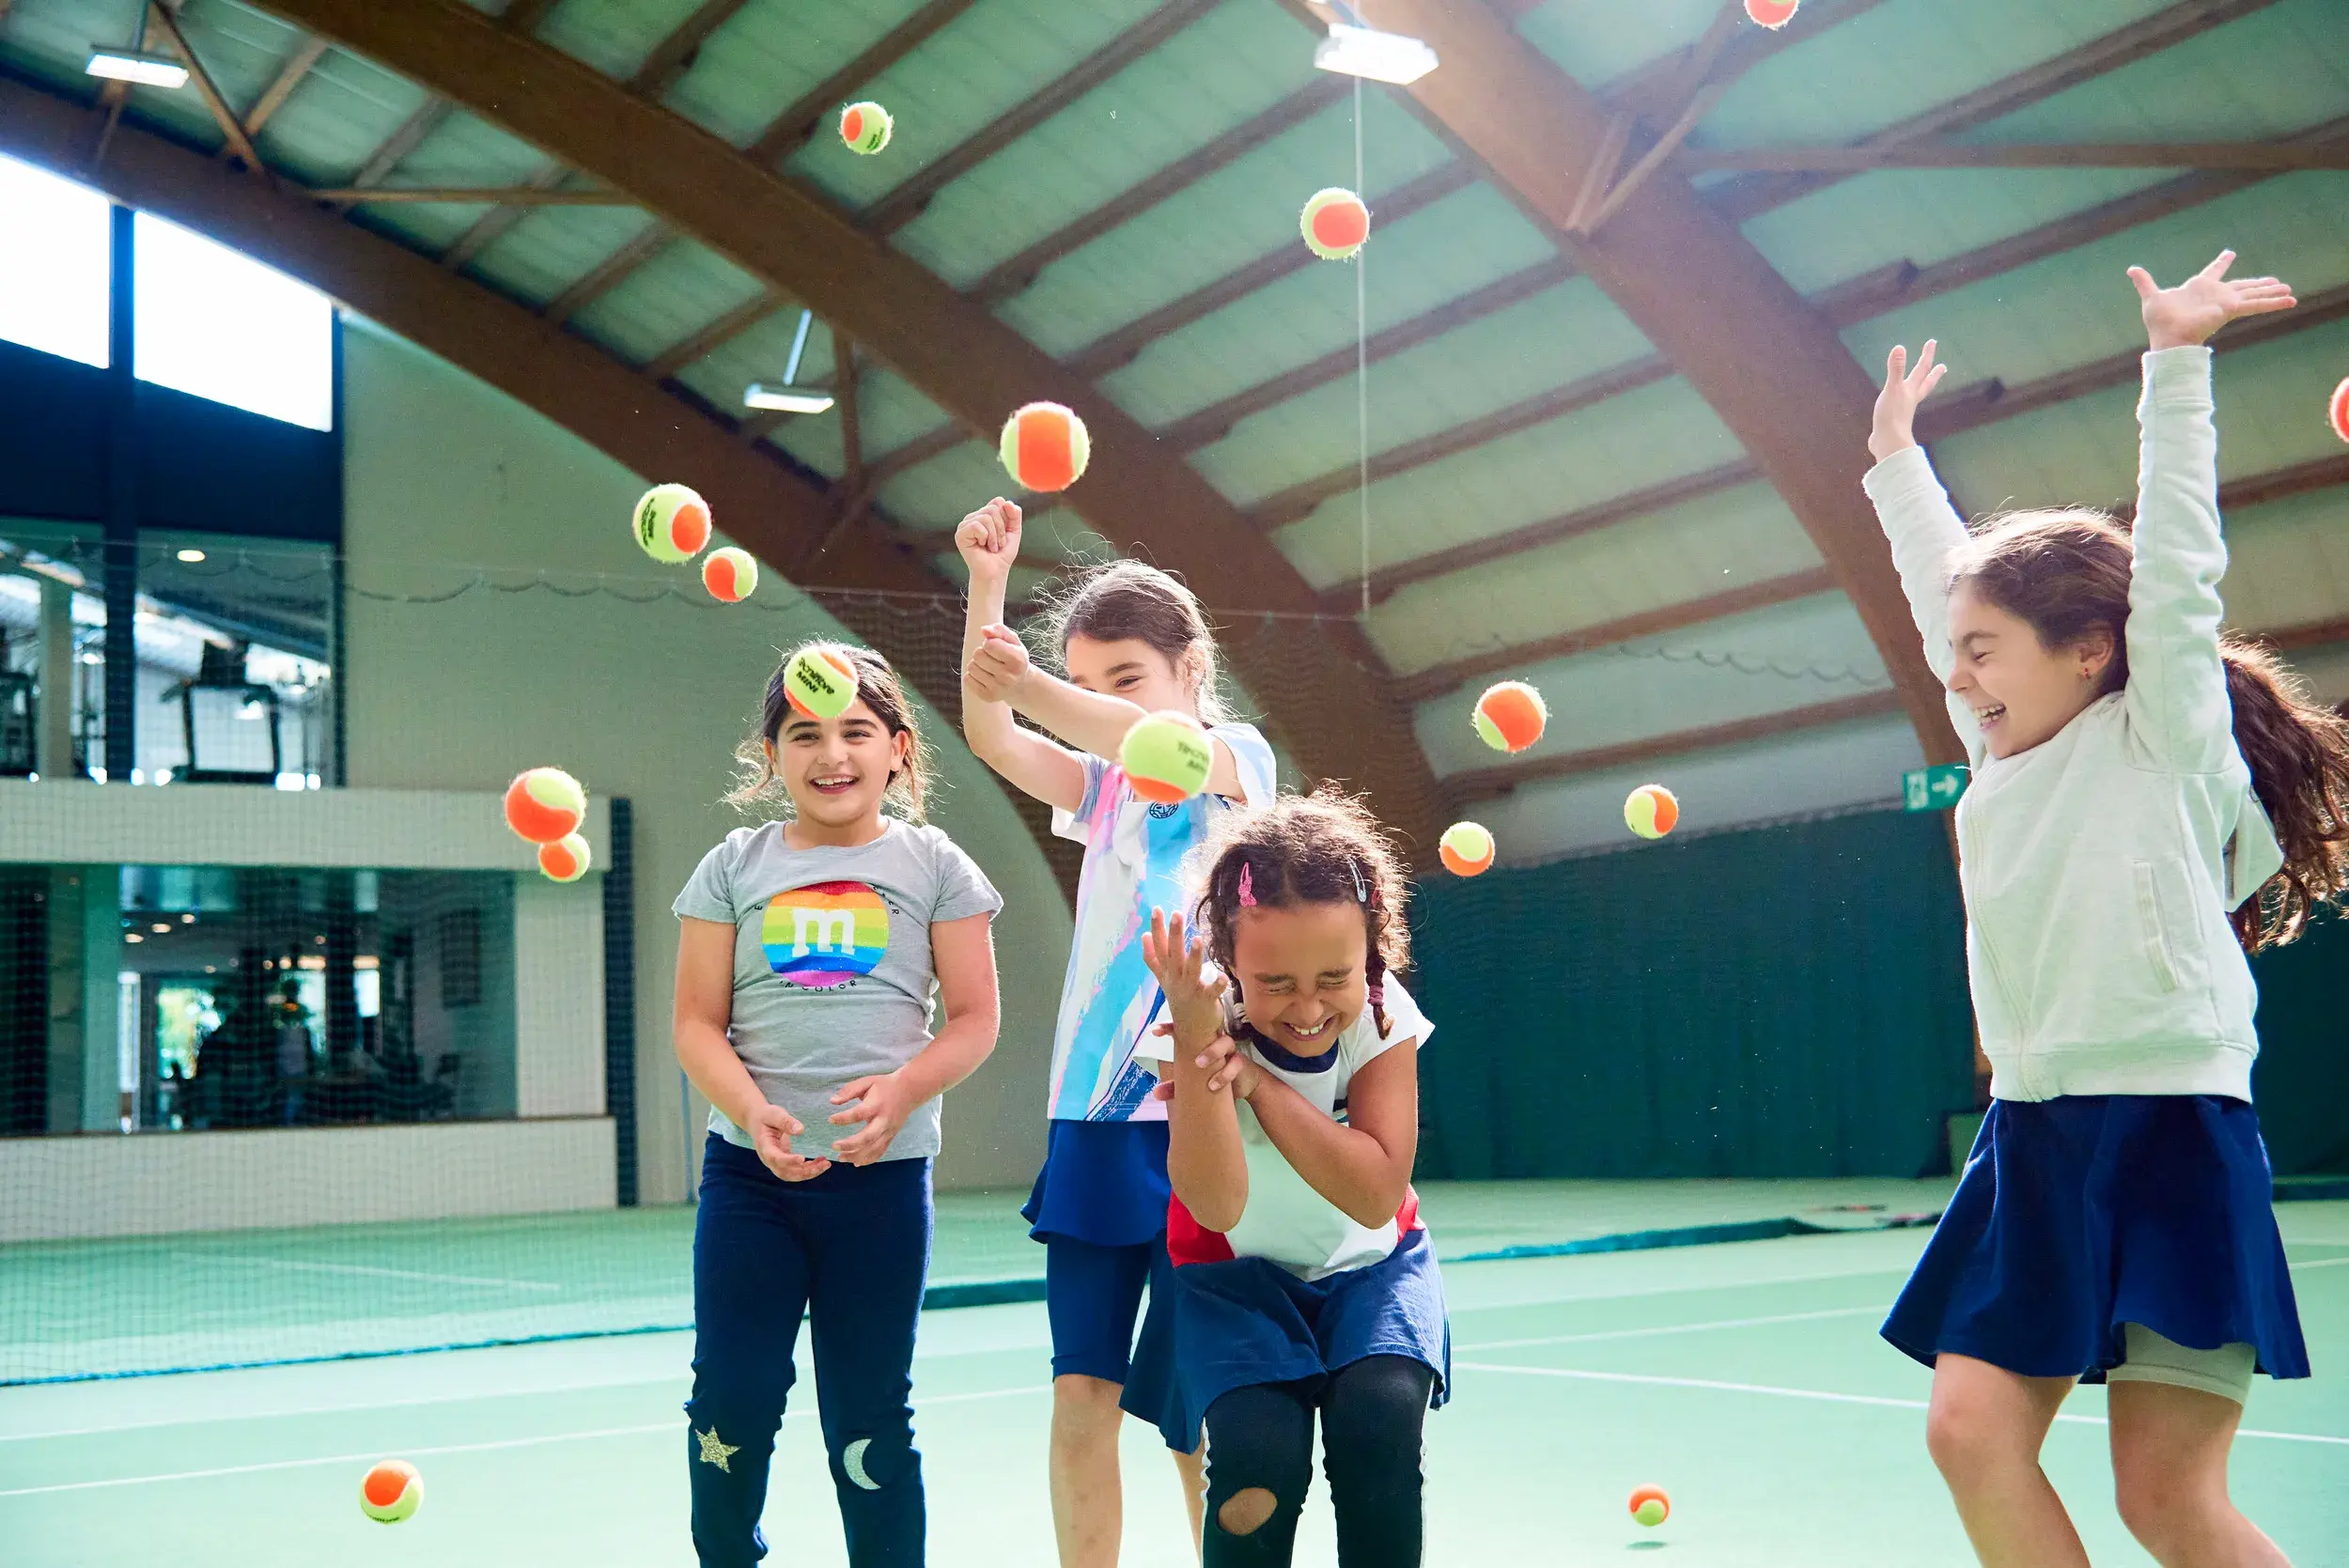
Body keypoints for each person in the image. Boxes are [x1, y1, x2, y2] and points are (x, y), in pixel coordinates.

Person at [1865, 252, 2345, 1568]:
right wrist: (1895, 467)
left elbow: (2178, 567)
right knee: (1970, 1433)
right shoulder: (1998, 747)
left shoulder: (2164, 735)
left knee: (2167, 1503)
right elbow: (1938, 592)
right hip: (2034, 1133)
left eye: (1982, 650)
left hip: (2172, 1125)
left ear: (2090, 649)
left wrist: (2174, 363)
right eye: (1955, 652)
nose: (1957, 671)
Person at [957, 497, 1276, 1564]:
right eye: (1086, 686)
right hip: (1092, 1125)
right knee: (1081, 1389)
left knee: (1198, 1409)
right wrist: (987, 589)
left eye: (1124, 677)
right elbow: (994, 731)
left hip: (1201, 1121)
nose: (1101, 707)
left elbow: (1166, 749)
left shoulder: (1241, 762)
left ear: (1192, 666)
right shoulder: (1101, 797)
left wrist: (1043, 687)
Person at [672, 640, 1003, 1568]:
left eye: (856, 731)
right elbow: (695, 1023)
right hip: (750, 1183)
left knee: (867, 1416)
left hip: (880, 1186)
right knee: (731, 1399)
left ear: (899, 747)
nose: (832, 755)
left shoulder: (936, 865)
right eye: (804, 733)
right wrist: (752, 1108)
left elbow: (975, 1019)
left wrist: (904, 1088)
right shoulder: (732, 867)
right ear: (768, 754)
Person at [1139, 788, 1446, 1568]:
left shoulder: (1383, 1017)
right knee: (1257, 1462)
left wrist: (1260, 1084)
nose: (1307, 1006)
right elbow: (1215, 1202)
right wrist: (1205, 1053)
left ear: (1373, 953)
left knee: (1379, 1424)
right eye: (1275, 981)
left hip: (1373, 1269)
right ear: (1229, 958)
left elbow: (1375, 1189)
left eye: (1332, 976)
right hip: (1234, 1281)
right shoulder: (1196, 1025)